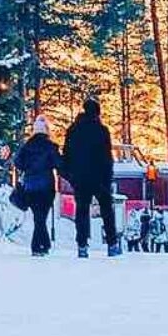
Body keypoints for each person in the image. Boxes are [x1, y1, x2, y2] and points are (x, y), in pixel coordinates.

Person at [63, 97, 122, 257]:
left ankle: (82, 245)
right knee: (107, 209)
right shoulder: (102, 131)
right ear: (97, 112)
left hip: (80, 178)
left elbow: (66, 155)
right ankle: (112, 243)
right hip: (99, 178)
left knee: (82, 210)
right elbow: (107, 157)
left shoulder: (73, 130)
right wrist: (108, 178)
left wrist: (70, 176)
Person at [11, 114, 63, 256]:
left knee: (38, 217)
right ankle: (39, 246)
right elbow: (59, 164)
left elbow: (18, 163)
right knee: (41, 217)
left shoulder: (27, 147)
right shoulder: (50, 147)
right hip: (47, 186)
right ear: (46, 130)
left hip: (30, 186)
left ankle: (43, 245)